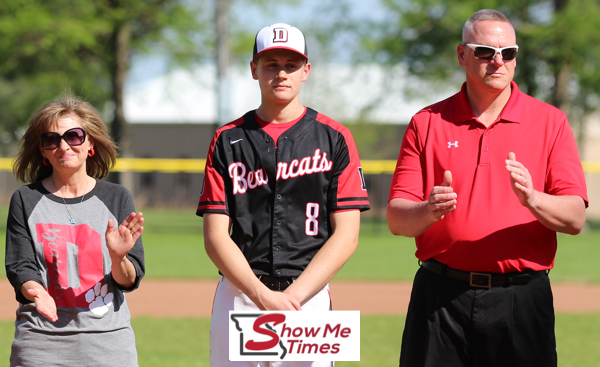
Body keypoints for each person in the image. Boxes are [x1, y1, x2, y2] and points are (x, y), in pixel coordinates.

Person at [387, 9, 588, 367]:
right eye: (484, 51)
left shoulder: (550, 121)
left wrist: (532, 199)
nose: (498, 61)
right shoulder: (426, 122)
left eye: (507, 52)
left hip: (521, 299)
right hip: (440, 296)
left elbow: (574, 218)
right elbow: (397, 220)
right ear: (462, 54)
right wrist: (427, 210)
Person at [197, 23, 370, 366]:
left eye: (291, 64)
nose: (281, 73)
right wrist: (260, 294)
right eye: (270, 63)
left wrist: (294, 296)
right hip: (241, 292)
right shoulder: (227, 140)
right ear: (253, 70)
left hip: (308, 294)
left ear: (306, 71)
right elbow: (215, 236)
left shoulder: (334, 137)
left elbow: (347, 235)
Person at [5, 95, 145, 366]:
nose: (64, 146)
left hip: (108, 345)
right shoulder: (26, 199)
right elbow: (20, 267)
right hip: (40, 344)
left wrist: (118, 258)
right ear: (43, 151)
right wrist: (37, 293)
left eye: (74, 136)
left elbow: (129, 280)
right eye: (52, 140)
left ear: (90, 142)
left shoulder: (116, 197)